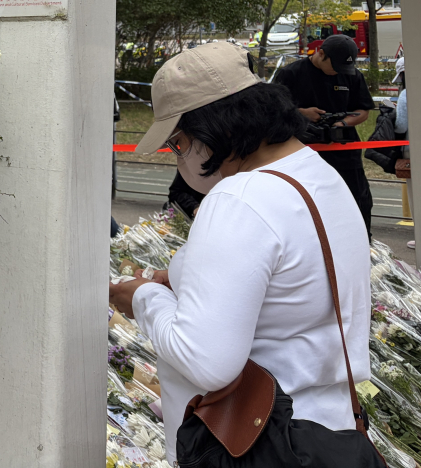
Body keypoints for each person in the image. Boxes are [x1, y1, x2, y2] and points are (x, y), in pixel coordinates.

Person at [111, 41, 370, 460]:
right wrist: (181, 278)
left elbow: (205, 362)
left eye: (179, 142)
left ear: (218, 128)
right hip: (325, 432)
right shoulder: (313, 174)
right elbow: (289, 284)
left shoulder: (239, 197)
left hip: (262, 443)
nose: (179, 157)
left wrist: (142, 297)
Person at [271, 33, 375, 235]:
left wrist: (342, 123)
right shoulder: (291, 74)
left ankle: (362, 238)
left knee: (358, 197)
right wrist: (302, 113)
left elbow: (363, 111)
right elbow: (273, 109)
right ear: (321, 53)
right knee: (306, 200)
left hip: (344, 148)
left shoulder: (352, 76)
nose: (338, 72)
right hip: (303, 151)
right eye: (335, 66)